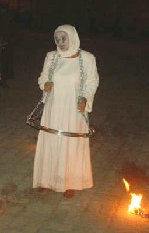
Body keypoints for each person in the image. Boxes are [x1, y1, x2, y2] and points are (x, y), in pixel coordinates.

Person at [33, 24, 99, 199]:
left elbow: (92, 82)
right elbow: (43, 76)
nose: (60, 42)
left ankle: (70, 182)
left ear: (73, 37)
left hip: (74, 110)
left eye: (64, 38)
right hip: (53, 109)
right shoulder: (51, 57)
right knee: (51, 143)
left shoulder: (87, 58)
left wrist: (85, 98)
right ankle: (48, 181)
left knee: (71, 146)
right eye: (57, 39)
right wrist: (44, 84)